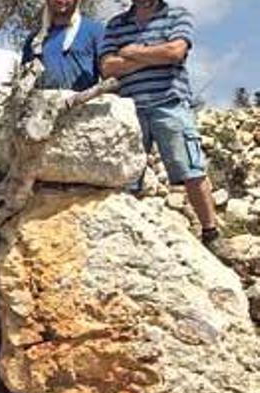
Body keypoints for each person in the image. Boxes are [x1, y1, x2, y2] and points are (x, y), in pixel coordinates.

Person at [101, 0, 220, 244]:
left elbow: (175, 52)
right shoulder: (116, 24)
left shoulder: (177, 14)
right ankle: (124, 239)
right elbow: (107, 67)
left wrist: (131, 52)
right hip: (129, 109)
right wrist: (156, 54)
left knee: (191, 170)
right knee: (126, 178)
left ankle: (211, 233)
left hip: (170, 104)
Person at [21, 0, 105, 91]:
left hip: (81, 102)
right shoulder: (35, 39)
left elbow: (108, 73)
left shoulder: (95, 31)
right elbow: (24, 80)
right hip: (40, 102)